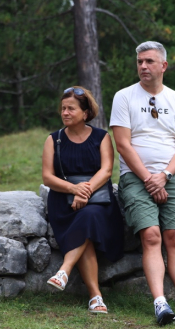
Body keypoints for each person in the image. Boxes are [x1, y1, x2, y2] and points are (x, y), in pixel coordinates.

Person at [110, 41, 175, 329]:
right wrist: (149, 178)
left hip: (172, 176)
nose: (143, 66)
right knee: (150, 236)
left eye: (149, 61)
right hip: (136, 177)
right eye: (139, 62)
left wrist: (165, 176)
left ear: (164, 66)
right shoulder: (124, 97)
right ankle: (160, 303)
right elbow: (122, 144)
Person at [42, 86, 124, 314]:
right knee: (86, 228)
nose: (65, 113)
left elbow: (107, 170)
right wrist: (73, 190)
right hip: (64, 204)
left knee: (90, 216)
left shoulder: (101, 137)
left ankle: (64, 271)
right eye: (63, 109)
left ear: (86, 113)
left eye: (71, 109)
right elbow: (47, 177)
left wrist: (84, 193)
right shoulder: (54, 139)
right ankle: (95, 297)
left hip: (97, 201)